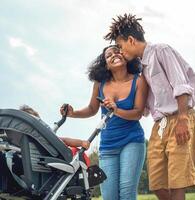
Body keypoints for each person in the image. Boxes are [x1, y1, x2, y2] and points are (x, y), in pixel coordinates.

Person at [104, 14, 195, 200]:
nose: (121, 52)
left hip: (179, 116)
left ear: (131, 40)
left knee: (177, 182)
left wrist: (182, 119)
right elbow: (145, 106)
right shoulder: (142, 68)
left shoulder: (161, 51)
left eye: (121, 46)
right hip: (160, 125)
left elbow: (181, 85)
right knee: (157, 183)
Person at [60, 45, 148, 200]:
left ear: (125, 57)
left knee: (126, 193)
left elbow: (138, 113)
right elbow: (92, 109)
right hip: (107, 146)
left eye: (117, 51)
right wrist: (72, 113)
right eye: (109, 55)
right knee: (109, 196)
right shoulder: (100, 84)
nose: (114, 55)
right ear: (106, 64)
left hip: (132, 141)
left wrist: (116, 110)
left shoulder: (139, 81)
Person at [19, 104, 90, 149]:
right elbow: (65, 140)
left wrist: (63, 118)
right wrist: (81, 143)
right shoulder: (43, 137)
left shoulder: (16, 139)